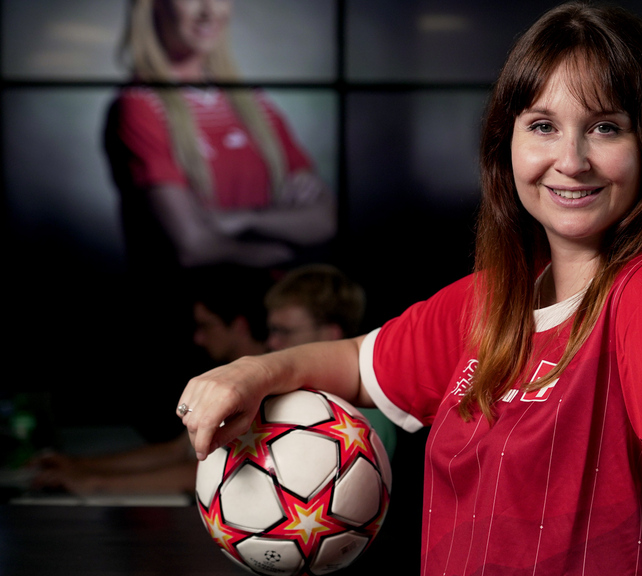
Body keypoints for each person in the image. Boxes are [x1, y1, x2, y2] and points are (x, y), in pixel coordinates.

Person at [178, 4, 642, 575]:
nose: (571, 160)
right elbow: (355, 363)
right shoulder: (495, 299)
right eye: (542, 125)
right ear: (504, 144)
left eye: (605, 127)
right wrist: (251, 372)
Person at [102, 0, 336, 437]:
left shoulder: (254, 105)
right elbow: (192, 246)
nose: (210, 10)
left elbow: (323, 220)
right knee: (200, 482)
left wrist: (235, 222)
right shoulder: (140, 106)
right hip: (186, 344)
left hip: (263, 342)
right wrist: (283, 237)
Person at [31, 266, 273, 496]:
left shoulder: (264, 387)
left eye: (205, 326)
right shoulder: (228, 377)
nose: (198, 338)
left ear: (240, 326)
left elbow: (222, 470)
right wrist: (80, 466)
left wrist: (95, 483)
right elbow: (178, 450)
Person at [264, 264, 398, 458]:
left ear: (331, 334)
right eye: (272, 330)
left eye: (284, 331)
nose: (272, 342)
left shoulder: (362, 418)